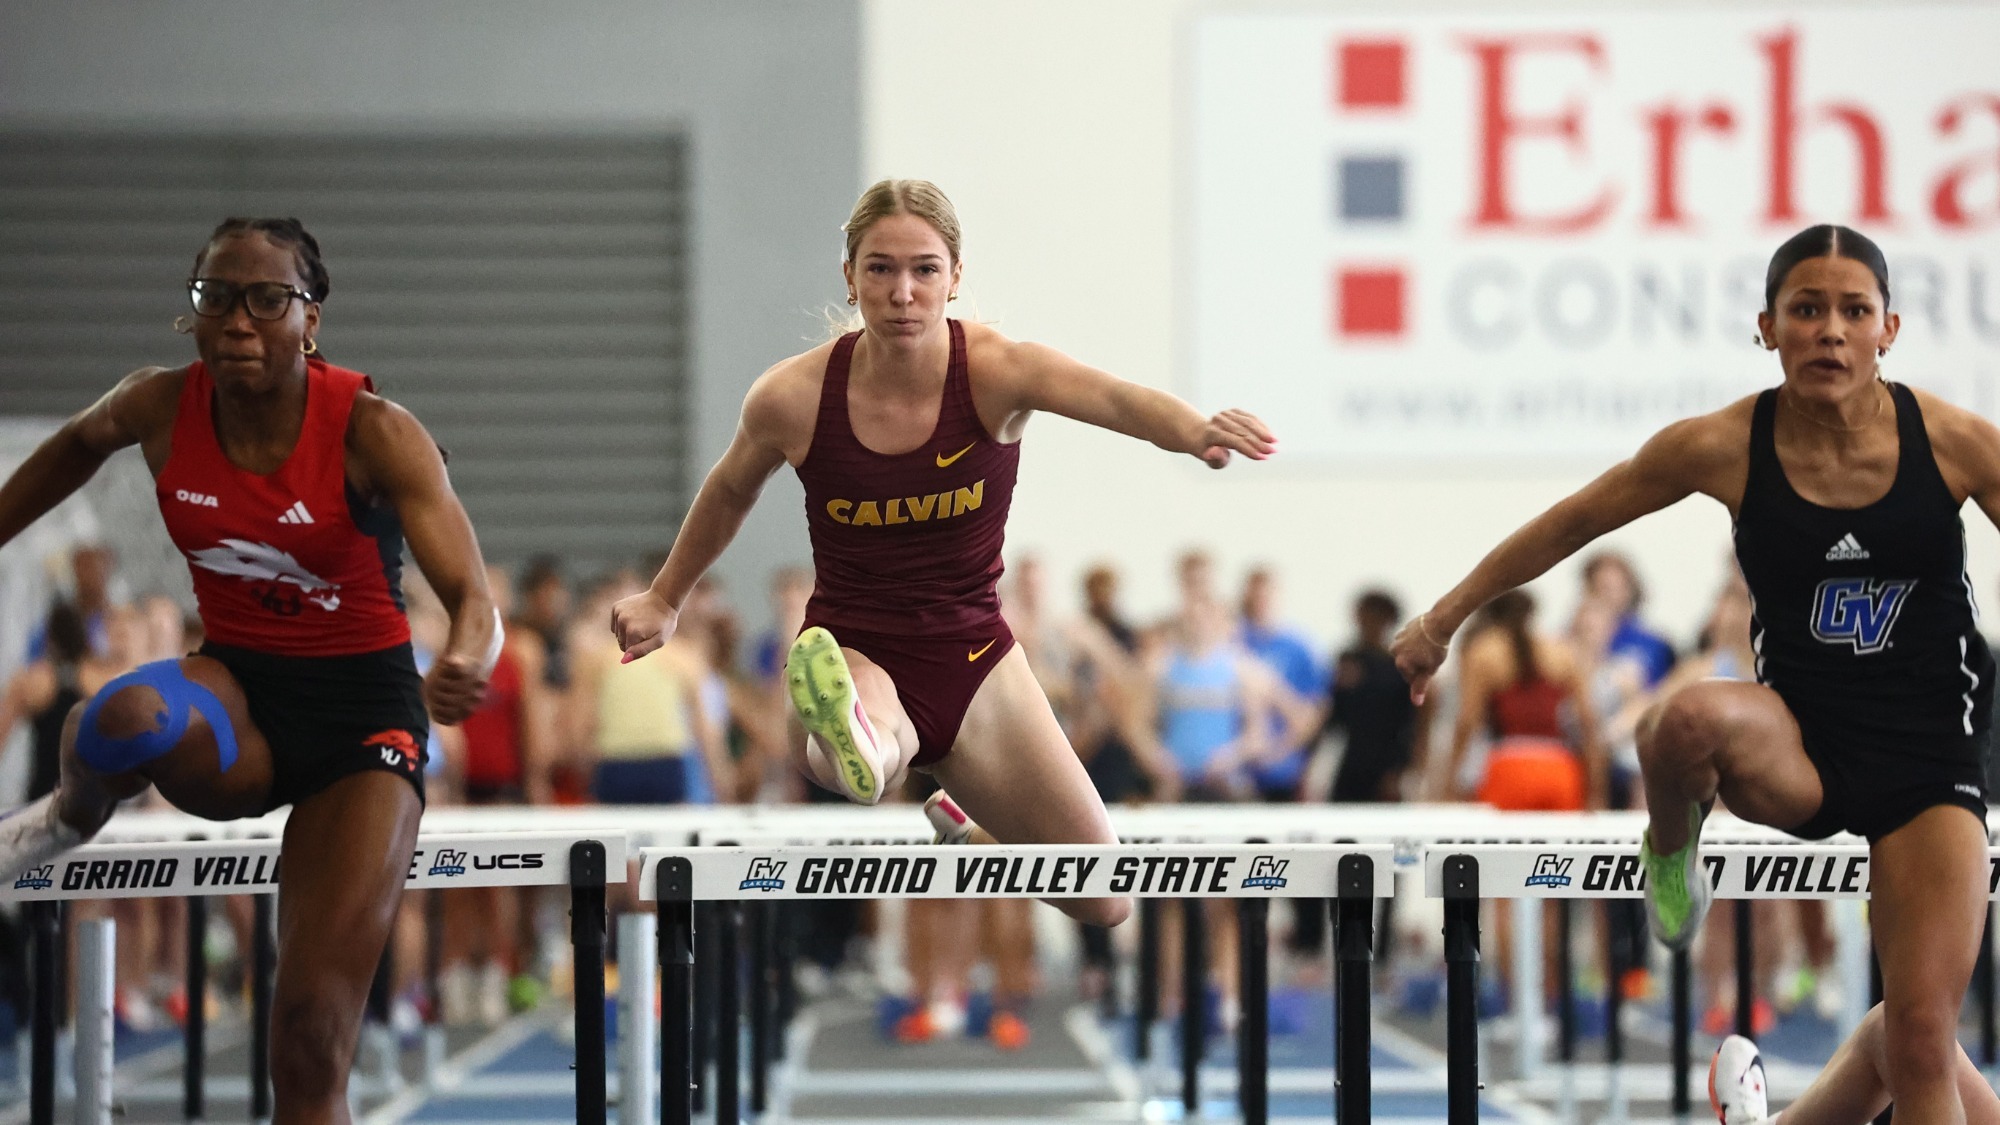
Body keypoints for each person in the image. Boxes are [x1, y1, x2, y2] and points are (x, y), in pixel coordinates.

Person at [1394, 225, 2000, 1125]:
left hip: (1930, 760)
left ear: (1890, 328)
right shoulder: (1722, 445)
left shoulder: (1952, 441)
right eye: (1806, 310)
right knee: (1677, 724)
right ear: (1767, 327)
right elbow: (1574, 522)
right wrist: (1444, 618)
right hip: (1799, 742)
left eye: (1852, 311)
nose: (1829, 331)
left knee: (1916, 1037)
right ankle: (1672, 853)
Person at [610, 178, 1275, 928]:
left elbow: (1112, 397)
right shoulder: (792, 397)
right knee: (868, 758)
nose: (902, 292)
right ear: (850, 276)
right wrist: (665, 597)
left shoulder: (995, 370)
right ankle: (856, 735)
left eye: (924, 269)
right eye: (881, 269)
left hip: (975, 658)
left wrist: (1190, 429)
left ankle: (968, 824)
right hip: (857, 644)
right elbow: (730, 488)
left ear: (955, 277)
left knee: (1105, 899)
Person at [0, 217, 499, 1123]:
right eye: (217, 298)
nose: (238, 321)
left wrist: (468, 655)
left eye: (267, 300)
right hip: (240, 700)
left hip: (363, 726)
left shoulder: (376, 430)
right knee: (118, 718)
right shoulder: (157, 405)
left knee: (308, 1041)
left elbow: (473, 595)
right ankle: (63, 817)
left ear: (311, 318)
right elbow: (76, 445)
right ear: (192, 315)